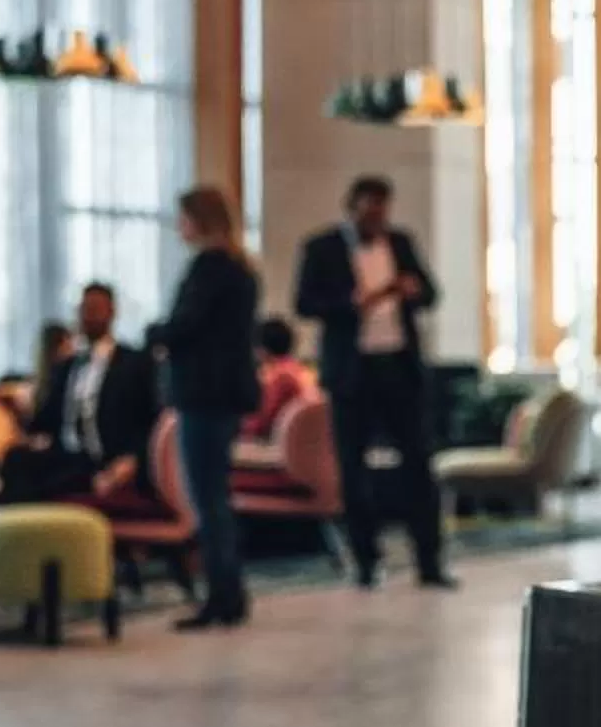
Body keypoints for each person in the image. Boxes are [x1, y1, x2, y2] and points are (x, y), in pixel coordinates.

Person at [293, 174, 453, 589]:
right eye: (368, 212)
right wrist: (352, 304)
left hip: (398, 366)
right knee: (353, 467)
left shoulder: (400, 244)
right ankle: (365, 560)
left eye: (382, 212)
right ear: (352, 208)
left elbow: (432, 294)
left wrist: (411, 291)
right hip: (352, 371)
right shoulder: (322, 248)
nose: (376, 219)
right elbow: (305, 303)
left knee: (418, 463)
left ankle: (429, 560)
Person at [163, 185, 260, 629]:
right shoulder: (242, 269)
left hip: (203, 392)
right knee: (217, 493)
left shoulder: (209, 268)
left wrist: (154, 335)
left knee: (207, 497)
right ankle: (229, 591)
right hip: (227, 394)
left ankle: (220, 594)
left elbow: (186, 326)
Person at [0, 284, 158, 505]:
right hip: (68, 455)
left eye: (95, 308)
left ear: (112, 312)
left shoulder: (134, 363)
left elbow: (151, 421)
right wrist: (18, 412)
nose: (88, 315)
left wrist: (131, 460)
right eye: (84, 308)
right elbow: (45, 423)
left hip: (106, 457)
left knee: (54, 484)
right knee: (16, 460)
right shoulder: (68, 366)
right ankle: (15, 534)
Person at [242, 315, 315, 440]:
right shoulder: (301, 370)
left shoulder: (278, 377)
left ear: (262, 349)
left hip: (282, 443)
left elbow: (262, 422)